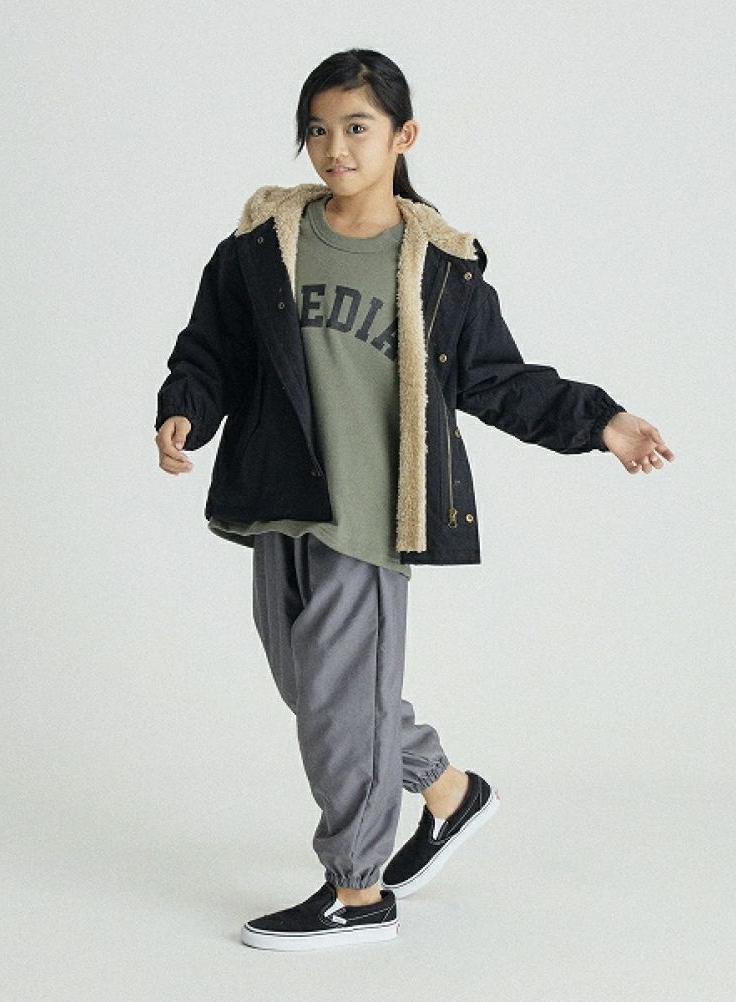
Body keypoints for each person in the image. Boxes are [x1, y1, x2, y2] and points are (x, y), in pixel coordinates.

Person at [154, 48, 675, 952]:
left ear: (404, 136)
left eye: (357, 127)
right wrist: (185, 411)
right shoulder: (261, 246)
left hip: (372, 517)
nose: (335, 148)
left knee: (338, 707)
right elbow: (212, 349)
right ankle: (448, 790)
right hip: (280, 499)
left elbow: (498, 379)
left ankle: (358, 892)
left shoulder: (439, 266)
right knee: (317, 691)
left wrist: (601, 421)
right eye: (318, 130)